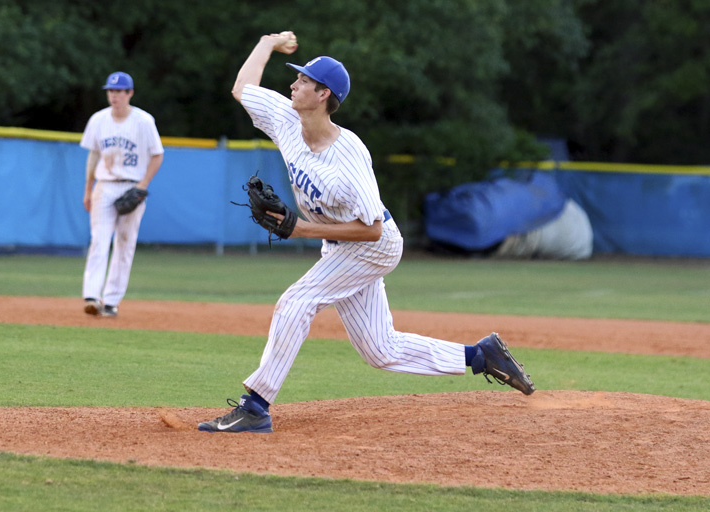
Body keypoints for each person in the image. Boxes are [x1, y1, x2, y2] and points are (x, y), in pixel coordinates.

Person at [198, 32, 535, 433]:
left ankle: (256, 407)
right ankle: (481, 356)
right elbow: (242, 88)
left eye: (303, 80)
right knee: (380, 350)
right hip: (339, 245)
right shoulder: (286, 118)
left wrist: (300, 229)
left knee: (296, 302)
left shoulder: (349, 155)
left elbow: (372, 230)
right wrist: (267, 43)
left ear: (323, 94)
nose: (293, 85)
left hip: (374, 246)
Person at [80, 72, 164, 317]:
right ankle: (92, 296)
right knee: (99, 240)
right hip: (105, 185)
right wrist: (88, 189)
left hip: (132, 185)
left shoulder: (143, 121)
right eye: (110, 91)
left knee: (125, 243)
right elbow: (93, 155)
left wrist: (142, 185)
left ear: (130, 93)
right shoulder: (98, 120)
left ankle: (111, 302)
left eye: (119, 91)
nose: (114, 95)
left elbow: (157, 155)